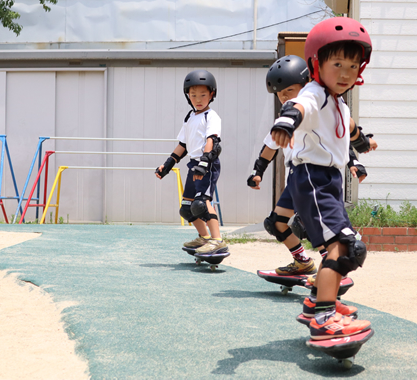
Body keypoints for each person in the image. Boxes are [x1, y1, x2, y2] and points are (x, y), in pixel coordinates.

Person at [271, 17, 376, 340]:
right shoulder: (315, 93)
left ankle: (316, 303)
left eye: (354, 66)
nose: (346, 73)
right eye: (338, 64)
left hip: (328, 181)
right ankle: (324, 319)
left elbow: (352, 130)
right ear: (317, 64)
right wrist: (287, 121)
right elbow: (299, 106)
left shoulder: (338, 103)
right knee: (343, 246)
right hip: (313, 179)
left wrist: (362, 144)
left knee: (342, 248)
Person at [248, 55, 370, 278]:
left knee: (316, 228)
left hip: (314, 179)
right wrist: (258, 172)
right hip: (295, 181)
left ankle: (331, 274)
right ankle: (302, 262)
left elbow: (341, 135)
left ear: (306, 86)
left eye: (290, 90)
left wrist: (356, 159)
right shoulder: (290, 115)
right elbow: (270, 146)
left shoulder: (317, 104)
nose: (285, 96)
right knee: (276, 223)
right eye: (280, 92)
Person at [156, 70, 227, 254]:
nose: (198, 99)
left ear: (212, 94)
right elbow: (183, 144)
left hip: (207, 165)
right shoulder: (189, 117)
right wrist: (168, 164)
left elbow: (212, 140)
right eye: (193, 95)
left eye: (203, 95)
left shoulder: (211, 116)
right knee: (187, 209)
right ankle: (204, 238)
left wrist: (204, 163)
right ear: (187, 96)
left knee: (201, 203)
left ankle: (217, 240)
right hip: (193, 164)